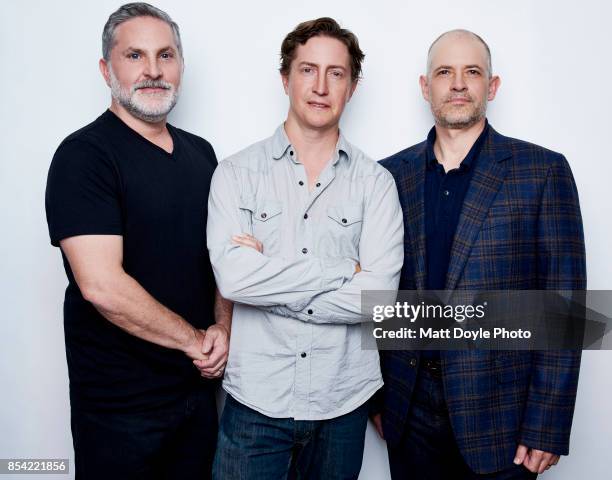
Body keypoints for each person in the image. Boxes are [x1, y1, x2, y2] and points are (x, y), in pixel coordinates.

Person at [375, 29, 586, 479]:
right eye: (444, 72)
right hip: (408, 413)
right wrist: (378, 399)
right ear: (424, 86)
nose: (457, 83)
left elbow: (564, 310)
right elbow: (381, 291)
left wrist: (547, 424)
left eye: (472, 71)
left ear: (491, 87)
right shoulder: (388, 176)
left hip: (502, 421)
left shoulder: (542, 171)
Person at [206, 17, 403, 480]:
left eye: (336, 73)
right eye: (307, 70)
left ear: (352, 87)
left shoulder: (376, 184)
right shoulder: (235, 174)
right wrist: (340, 270)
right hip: (256, 402)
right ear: (284, 78)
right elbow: (234, 279)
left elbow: (379, 301)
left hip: (343, 403)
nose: (320, 86)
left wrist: (269, 281)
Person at [45, 3, 229, 478]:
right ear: (107, 69)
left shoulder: (202, 154)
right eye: (135, 56)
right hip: (120, 413)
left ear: (181, 67)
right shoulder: (84, 156)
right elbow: (101, 285)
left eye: (165, 55)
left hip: (196, 397)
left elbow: (221, 261)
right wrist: (195, 341)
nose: (153, 70)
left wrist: (223, 330)